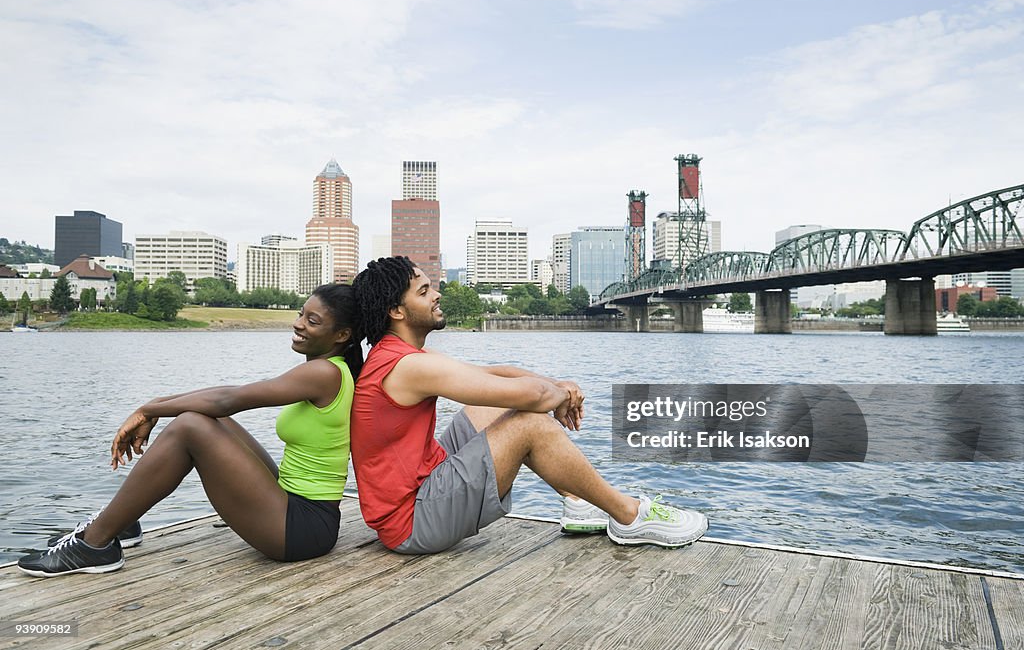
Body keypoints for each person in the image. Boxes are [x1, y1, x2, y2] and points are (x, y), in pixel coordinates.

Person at [350, 256, 707, 555]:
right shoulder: (410, 366)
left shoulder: (403, 356)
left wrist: (557, 385)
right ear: (396, 310)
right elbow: (532, 399)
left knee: (487, 408)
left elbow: (497, 375)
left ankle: (579, 503)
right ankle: (629, 516)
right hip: (413, 522)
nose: (437, 294)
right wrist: (559, 396)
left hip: (422, 486)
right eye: (424, 291)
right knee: (529, 425)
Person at [17, 284, 363, 577]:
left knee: (191, 426)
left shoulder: (323, 373)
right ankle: (121, 523)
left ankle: (95, 544)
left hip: (302, 529)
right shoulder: (329, 370)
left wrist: (149, 409)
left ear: (342, 335)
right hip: (295, 507)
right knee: (209, 420)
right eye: (301, 313)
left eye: (312, 320)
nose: (298, 324)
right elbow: (223, 401)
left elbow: (229, 398)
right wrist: (154, 405)